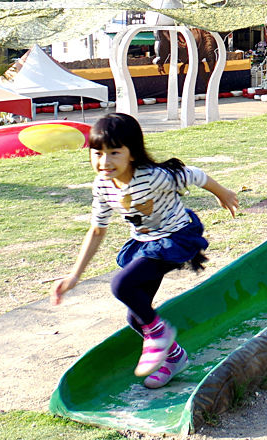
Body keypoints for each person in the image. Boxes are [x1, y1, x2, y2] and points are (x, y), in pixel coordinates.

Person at [51, 112, 240, 388]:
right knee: (135, 315)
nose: (104, 162)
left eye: (114, 152)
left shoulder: (153, 177)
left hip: (175, 237)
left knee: (121, 285)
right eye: (97, 153)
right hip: (145, 243)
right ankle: (174, 357)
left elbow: (194, 175)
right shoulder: (103, 186)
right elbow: (97, 230)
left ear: (131, 153)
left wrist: (221, 193)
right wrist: (74, 276)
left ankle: (160, 335)